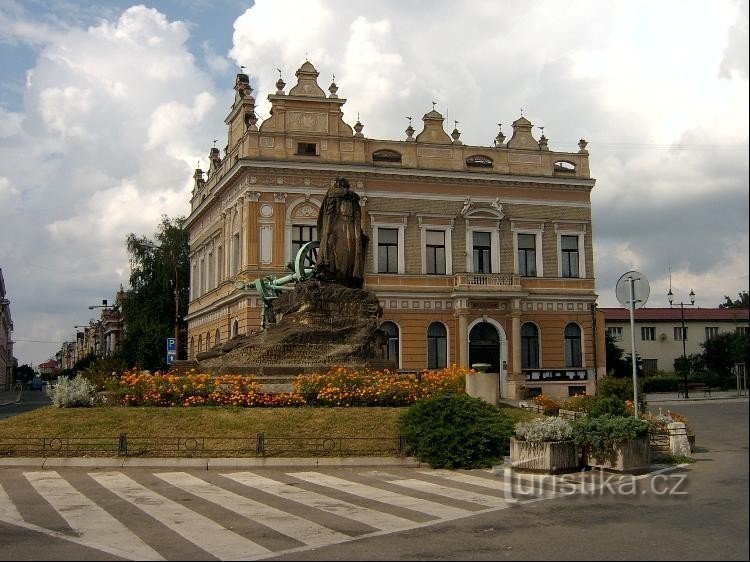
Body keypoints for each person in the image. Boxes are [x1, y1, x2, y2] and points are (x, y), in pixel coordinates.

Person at [315, 177, 368, 287]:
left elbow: (356, 217)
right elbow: (329, 216)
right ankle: (335, 274)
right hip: (338, 229)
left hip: (349, 229)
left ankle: (346, 276)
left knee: (349, 254)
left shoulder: (352, 200)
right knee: (340, 252)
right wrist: (327, 232)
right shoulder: (334, 196)